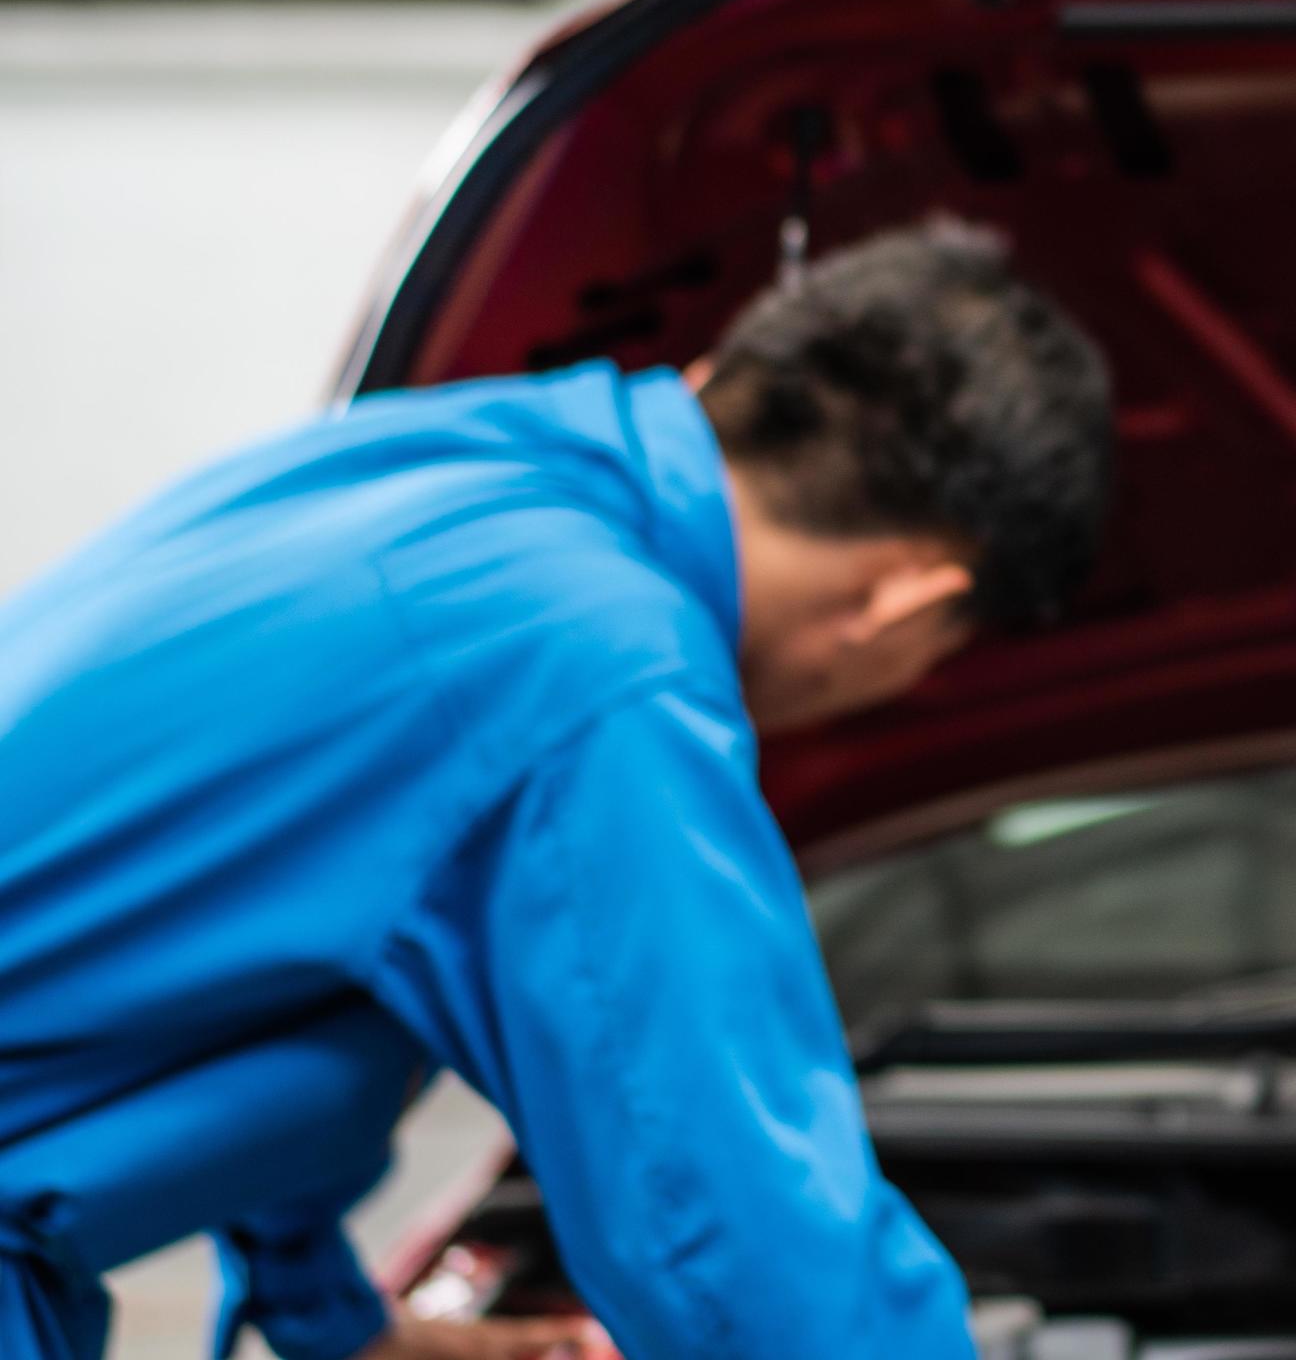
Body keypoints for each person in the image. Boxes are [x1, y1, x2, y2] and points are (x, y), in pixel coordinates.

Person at [0, 218, 1113, 1360]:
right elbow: (729, 1219)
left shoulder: (428, 465)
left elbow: (238, 955)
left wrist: (344, 1326)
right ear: (907, 603)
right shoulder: (594, 665)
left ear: (715, 382)